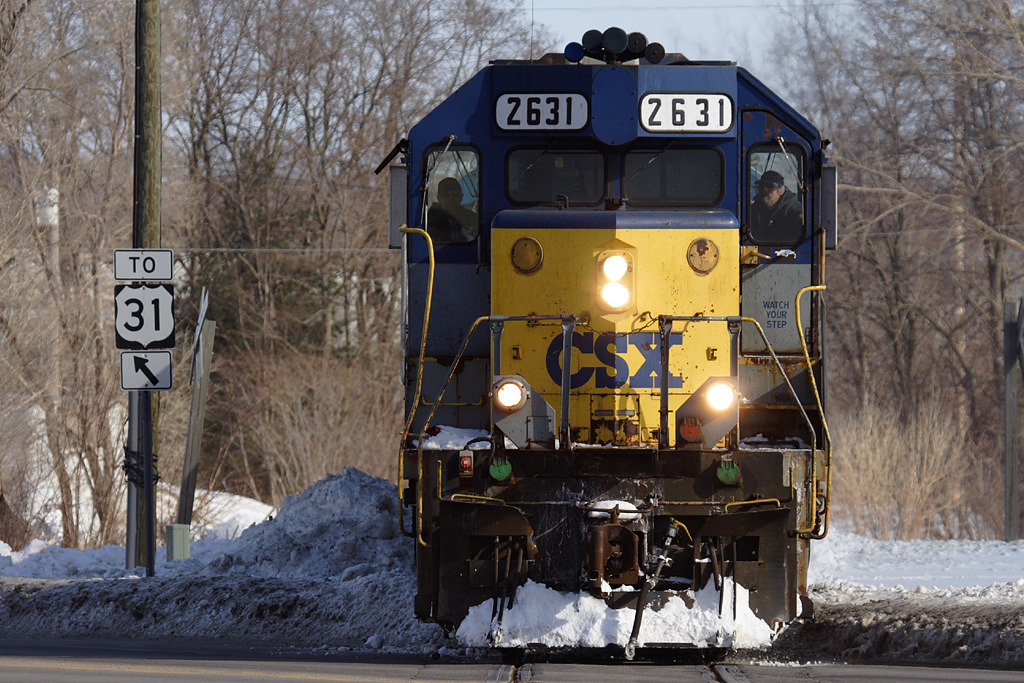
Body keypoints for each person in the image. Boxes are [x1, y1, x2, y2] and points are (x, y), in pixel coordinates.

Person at [749, 170, 803, 243]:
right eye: (761, 186)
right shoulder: (753, 210)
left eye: (770, 186)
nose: (764, 189)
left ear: (781, 191)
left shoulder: (792, 210)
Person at [427, 177, 478, 242]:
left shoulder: (471, 217)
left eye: (455, 194)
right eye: (445, 195)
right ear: (438, 198)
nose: (450, 198)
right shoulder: (430, 219)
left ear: (461, 197)